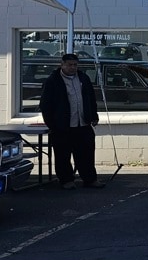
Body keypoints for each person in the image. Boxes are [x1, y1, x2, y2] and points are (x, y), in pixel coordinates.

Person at [39, 53, 104, 189]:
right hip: (62, 125)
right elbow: (46, 105)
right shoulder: (53, 81)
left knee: (86, 153)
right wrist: (51, 124)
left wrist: (94, 115)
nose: (72, 67)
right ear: (62, 65)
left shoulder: (83, 78)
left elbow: (91, 99)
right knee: (63, 154)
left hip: (83, 123)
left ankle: (90, 179)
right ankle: (66, 180)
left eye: (75, 65)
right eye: (69, 65)